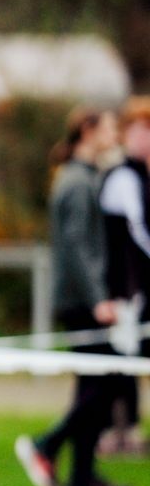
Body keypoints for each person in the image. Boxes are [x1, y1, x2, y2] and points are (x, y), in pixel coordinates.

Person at [15, 107, 129, 486]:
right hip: (82, 301)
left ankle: (82, 476)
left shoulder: (83, 177)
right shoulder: (77, 182)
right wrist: (98, 299)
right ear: (88, 130)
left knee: (96, 385)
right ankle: (46, 445)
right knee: (106, 383)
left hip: (85, 297)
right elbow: (79, 247)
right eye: (110, 127)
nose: (115, 135)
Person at [99, 97, 150, 452]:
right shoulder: (123, 176)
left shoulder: (140, 175)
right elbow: (136, 230)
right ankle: (114, 430)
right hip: (122, 285)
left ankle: (127, 428)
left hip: (138, 283)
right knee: (120, 358)